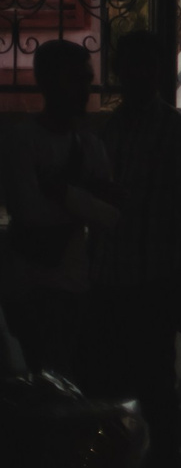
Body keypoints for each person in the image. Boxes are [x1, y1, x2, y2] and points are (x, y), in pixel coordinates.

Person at [92, 32, 181, 468]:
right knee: (127, 387)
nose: (135, 77)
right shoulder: (111, 132)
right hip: (119, 276)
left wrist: (179, 281)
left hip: (149, 278)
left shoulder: (171, 133)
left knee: (153, 389)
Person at [0, 40, 111, 380]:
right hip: (32, 286)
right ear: (46, 83)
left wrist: (62, 193)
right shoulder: (22, 141)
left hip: (72, 283)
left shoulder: (88, 144)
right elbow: (29, 212)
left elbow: (113, 214)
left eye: (86, 78)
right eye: (75, 79)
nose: (84, 88)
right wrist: (83, 203)